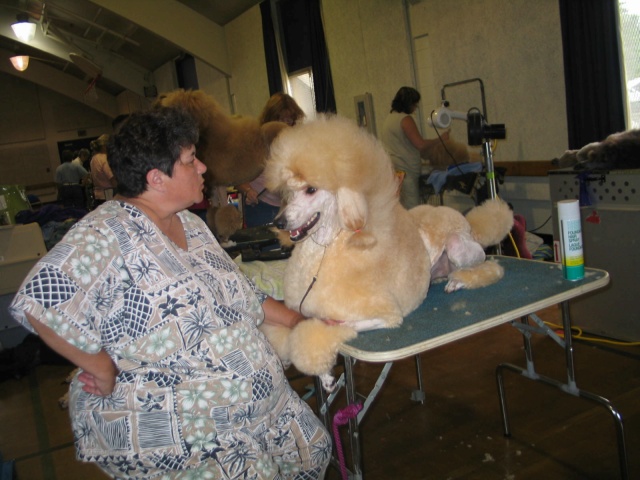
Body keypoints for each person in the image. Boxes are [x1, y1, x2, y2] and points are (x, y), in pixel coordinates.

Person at [10, 107, 332, 479]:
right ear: (157, 178)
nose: (203, 167)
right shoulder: (106, 232)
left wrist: (299, 321)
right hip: (180, 429)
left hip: (254, 409)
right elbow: (42, 299)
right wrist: (99, 366)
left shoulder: (191, 224)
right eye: (191, 160)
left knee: (314, 448)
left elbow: (240, 292)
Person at [236, 93, 305, 227]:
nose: (285, 125)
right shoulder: (255, 142)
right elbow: (237, 177)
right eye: (281, 120)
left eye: (289, 121)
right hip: (260, 206)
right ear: (271, 118)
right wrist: (248, 191)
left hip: (287, 205)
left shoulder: (297, 143)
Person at [381, 86, 448, 209]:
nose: (415, 108)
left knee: (400, 210)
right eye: (415, 104)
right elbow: (420, 144)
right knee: (412, 210)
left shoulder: (389, 119)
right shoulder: (405, 119)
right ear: (409, 103)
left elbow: (404, 146)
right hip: (406, 174)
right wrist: (441, 139)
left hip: (393, 172)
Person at [90, 134, 116, 205]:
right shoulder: (104, 159)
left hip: (98, 195)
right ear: (105, 146)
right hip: (108, 195)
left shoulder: (93, 159)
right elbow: (112, 178)